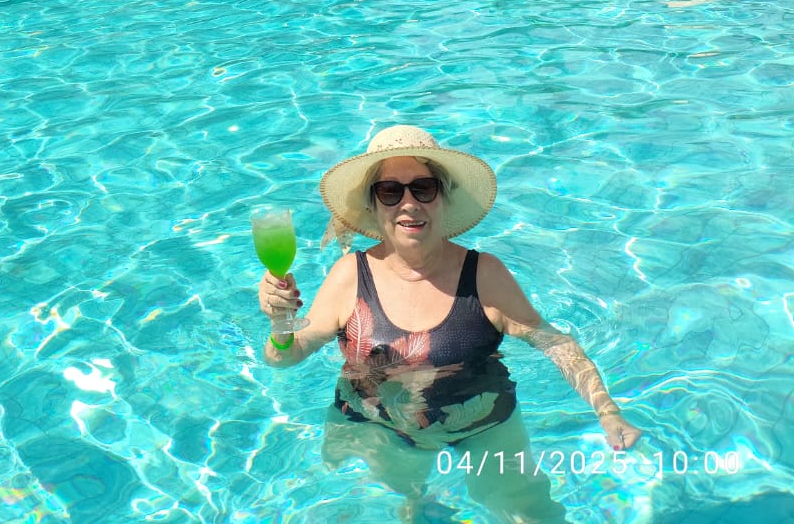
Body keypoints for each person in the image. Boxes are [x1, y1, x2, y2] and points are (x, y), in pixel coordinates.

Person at [256, 124, 640, 520]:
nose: (409, 203)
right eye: (390, 191)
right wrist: (280, 323)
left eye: (423, 188)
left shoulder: (484, 276)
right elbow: (283, 358)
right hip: (376, 428)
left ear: (444, 197)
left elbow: (555, 343)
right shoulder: (350, 276)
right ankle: (414, 500)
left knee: (531, 512)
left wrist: (607, 411)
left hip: (482, 424)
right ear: (373, 204)